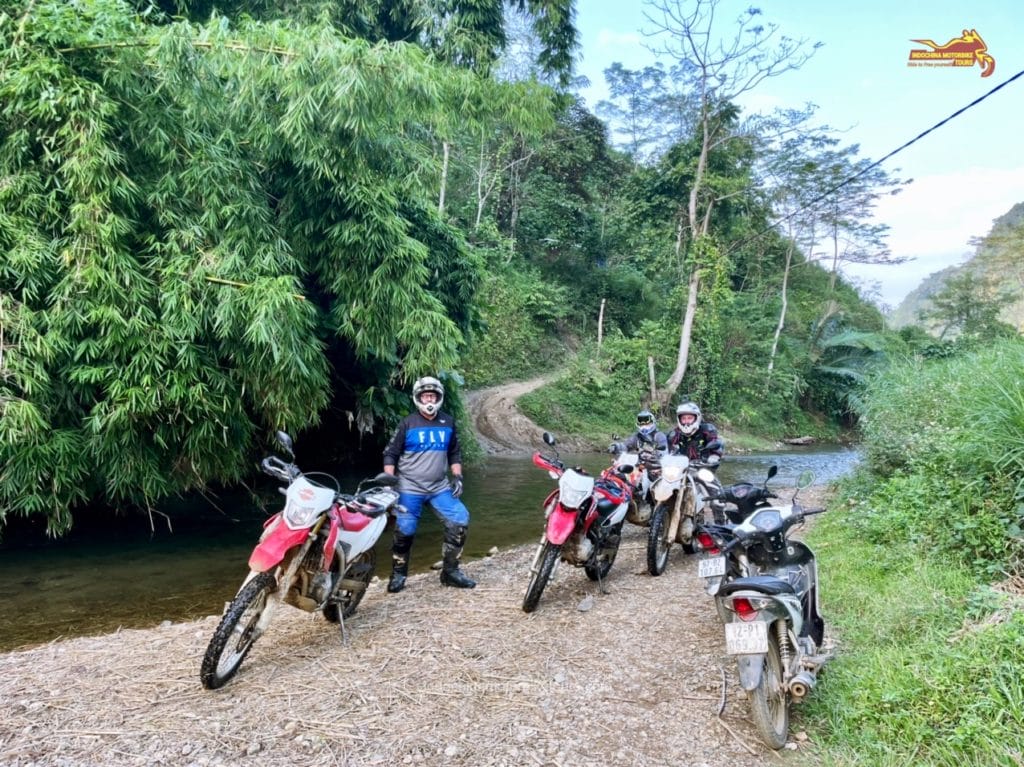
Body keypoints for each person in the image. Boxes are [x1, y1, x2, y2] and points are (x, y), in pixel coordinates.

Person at [382, 376, 476, 592]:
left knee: (460, 519)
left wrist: (458, 477)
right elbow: (390, 454)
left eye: (432, 396)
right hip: (409, 487)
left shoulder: (448, 422)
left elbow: (454, 452)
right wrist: (389, 482)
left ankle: (450, 572)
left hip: (439, 487)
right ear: (418, 398)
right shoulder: (407, 423)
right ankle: (398, 574)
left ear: (439, 397)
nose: (429, 400)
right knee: (405, 529)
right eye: (425, 396)